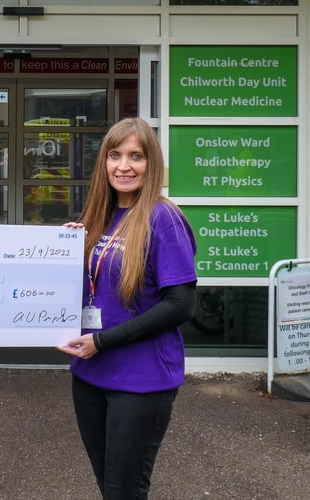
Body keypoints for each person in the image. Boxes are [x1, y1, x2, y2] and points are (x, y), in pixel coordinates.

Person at [58, 117, 197, 499]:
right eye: (115, 155)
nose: (124, 166)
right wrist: (66, 252)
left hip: (141, 381)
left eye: (136, 156)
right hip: (90, 376)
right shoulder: (100, 218)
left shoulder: (162, 219)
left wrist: (102, 341)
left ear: (151, 164)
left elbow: (181, 305)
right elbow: (94, 289)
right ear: (103, 162)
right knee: (110, 487)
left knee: (125, 490)